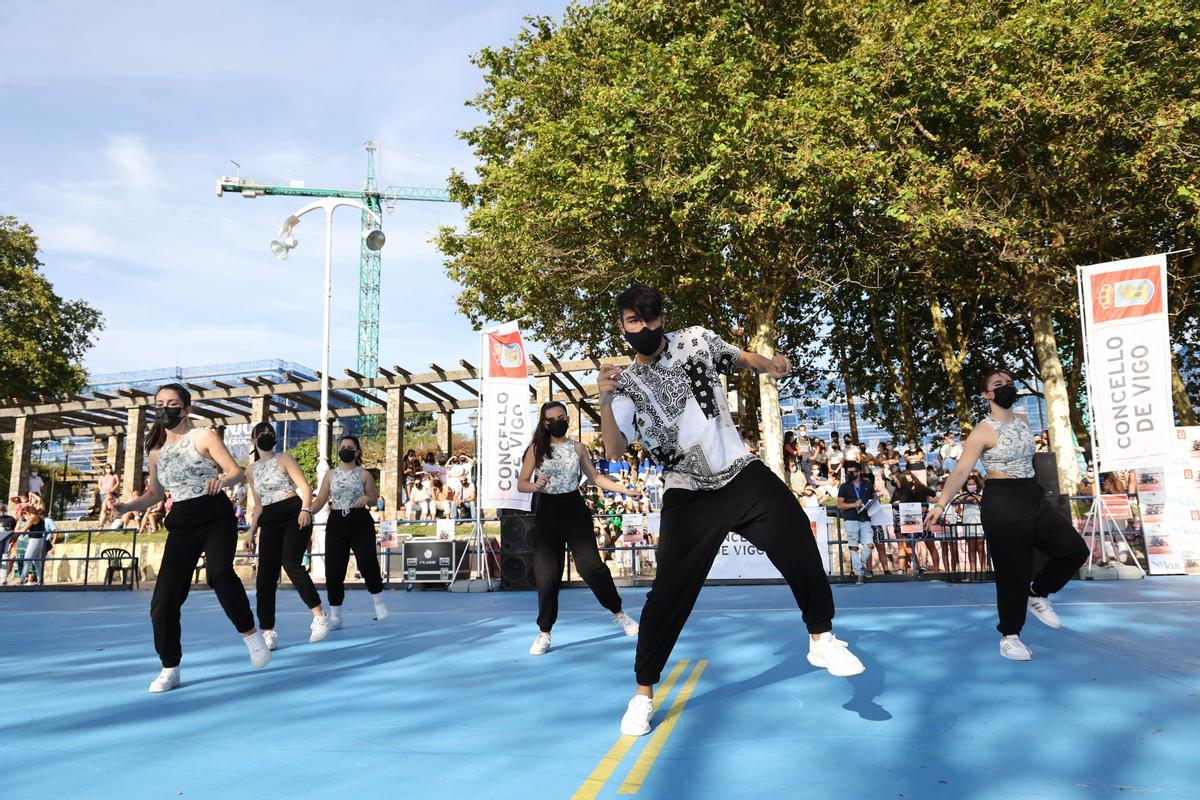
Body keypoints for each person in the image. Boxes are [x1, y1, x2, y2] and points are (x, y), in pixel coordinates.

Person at [599, 285, 863, 737]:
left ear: (663, 318)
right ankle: (643, 693)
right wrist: (603, 399)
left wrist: (772, 364)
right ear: (622, 327)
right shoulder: (625, 387)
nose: (644, 328)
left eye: (650, 319)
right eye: (633, 322)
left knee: (799, 538)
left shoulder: (695, 340)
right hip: (687, 491)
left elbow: (741, 358)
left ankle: (821, 638)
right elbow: (613, 447)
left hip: (740, 473)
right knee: (668, 596)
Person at [925, 369, 1089, 661]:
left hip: (1032, 495)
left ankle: (1037, 593)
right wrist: (940, 504)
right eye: (998, 385)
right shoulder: (982, 430)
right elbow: (962, 470)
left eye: (1009, 383)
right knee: (1013, 571)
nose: (1006, 388)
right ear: (987, 394)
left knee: (1074, 550)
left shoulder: (1024, 421)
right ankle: (1010, 636)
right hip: (1002, 501)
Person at [115, 383, 269, 693]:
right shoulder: (156, 452)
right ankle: (170, 666)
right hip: (182, 520)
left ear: (186, 409)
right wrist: (128, 506)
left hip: (214, 514)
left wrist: (221, 479)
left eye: (172, 403)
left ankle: (251, 634)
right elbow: (155, 494)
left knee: (219, 574)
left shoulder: (204, 435)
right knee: (163, 602)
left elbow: (235, 472)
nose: (164, 408)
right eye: (159, 403)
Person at [517, 401, 642, 656]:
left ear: (568, 419)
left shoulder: (578, 448)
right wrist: (536, 485)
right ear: (544, 423)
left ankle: (620, 615)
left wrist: (626, 489)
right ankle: (544, 633)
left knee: (591, 567)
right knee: (547, 575)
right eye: (552, 419)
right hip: (547, 513)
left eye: (562, 417)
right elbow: (521, 483)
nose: (557, 421)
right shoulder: (535, 450)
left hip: (574, 510)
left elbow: (596, 478)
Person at [243, 422, 330, 649]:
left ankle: (320, 615)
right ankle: (267, 630)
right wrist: (251, 532)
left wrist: (305, 510)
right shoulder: (250, 471)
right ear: (253, 441)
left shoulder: (284, 458)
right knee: (265, 576)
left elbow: (306, 488)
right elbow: (258, 505)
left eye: (269, 433)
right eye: (260, 434)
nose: (265, 436)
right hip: (269, 520)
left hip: (294, 513)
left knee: (290, 562)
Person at [308, 434, 389, 628]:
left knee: (367, 561)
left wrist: (366, 500)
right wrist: (307, 511)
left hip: (359, 520)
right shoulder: (330, 474)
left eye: (349, 447)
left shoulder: (364, 474)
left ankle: (379, 604)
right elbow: (320, 499)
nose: (345, 449)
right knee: (334, 569)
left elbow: (373, 497)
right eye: (342, 446)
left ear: (357, 452)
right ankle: (336, 616)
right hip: (337, 520)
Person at [837, 463, 876, 584]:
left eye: (852, 472)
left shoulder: (867, 484)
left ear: (859, 472)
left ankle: (861, 565)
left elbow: (874, 497)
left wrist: (876, 499)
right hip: (850, 519)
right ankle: (858, 572)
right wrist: (853, 505)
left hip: (865, 519)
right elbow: (839, 504)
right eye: (848, 472)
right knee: (853, 547)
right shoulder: (844, 486)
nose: (850, 474)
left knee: (869, 545)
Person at [97, 464, 120, 528]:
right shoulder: (102, 476)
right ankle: (102, 524)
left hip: (112, 493)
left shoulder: (114, 475)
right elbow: (99, 485)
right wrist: (105, 491)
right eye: (107, 468)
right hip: (103, 493)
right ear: (104, 469)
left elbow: (118, 483)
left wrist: (111, 490)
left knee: (105, 507)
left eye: (109, 467)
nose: (108, 469)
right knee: (105, 507)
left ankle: (101, 524)